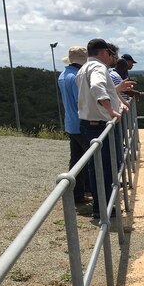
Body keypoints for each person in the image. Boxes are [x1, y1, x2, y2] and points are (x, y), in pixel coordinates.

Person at [76, 38, 134, 219]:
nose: (112, 57)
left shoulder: (84, 68)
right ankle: (106, 209)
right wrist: (111, 111)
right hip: (100, 126)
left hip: (88, 124)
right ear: (103, 52)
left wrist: (116, 94)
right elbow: (97, 87)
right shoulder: (98, 68)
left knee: (97, 169)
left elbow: (95, 91)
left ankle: (101, 208)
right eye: (110, 54)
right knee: (109, 168)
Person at [57, 46, 90, 204]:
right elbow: (81, 102)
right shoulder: (77, 77)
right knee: (90, 160)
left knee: (76, 161)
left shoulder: (63, 75)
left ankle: (77, 194)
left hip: (70, 122)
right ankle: (92, 193)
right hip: (81, 123)